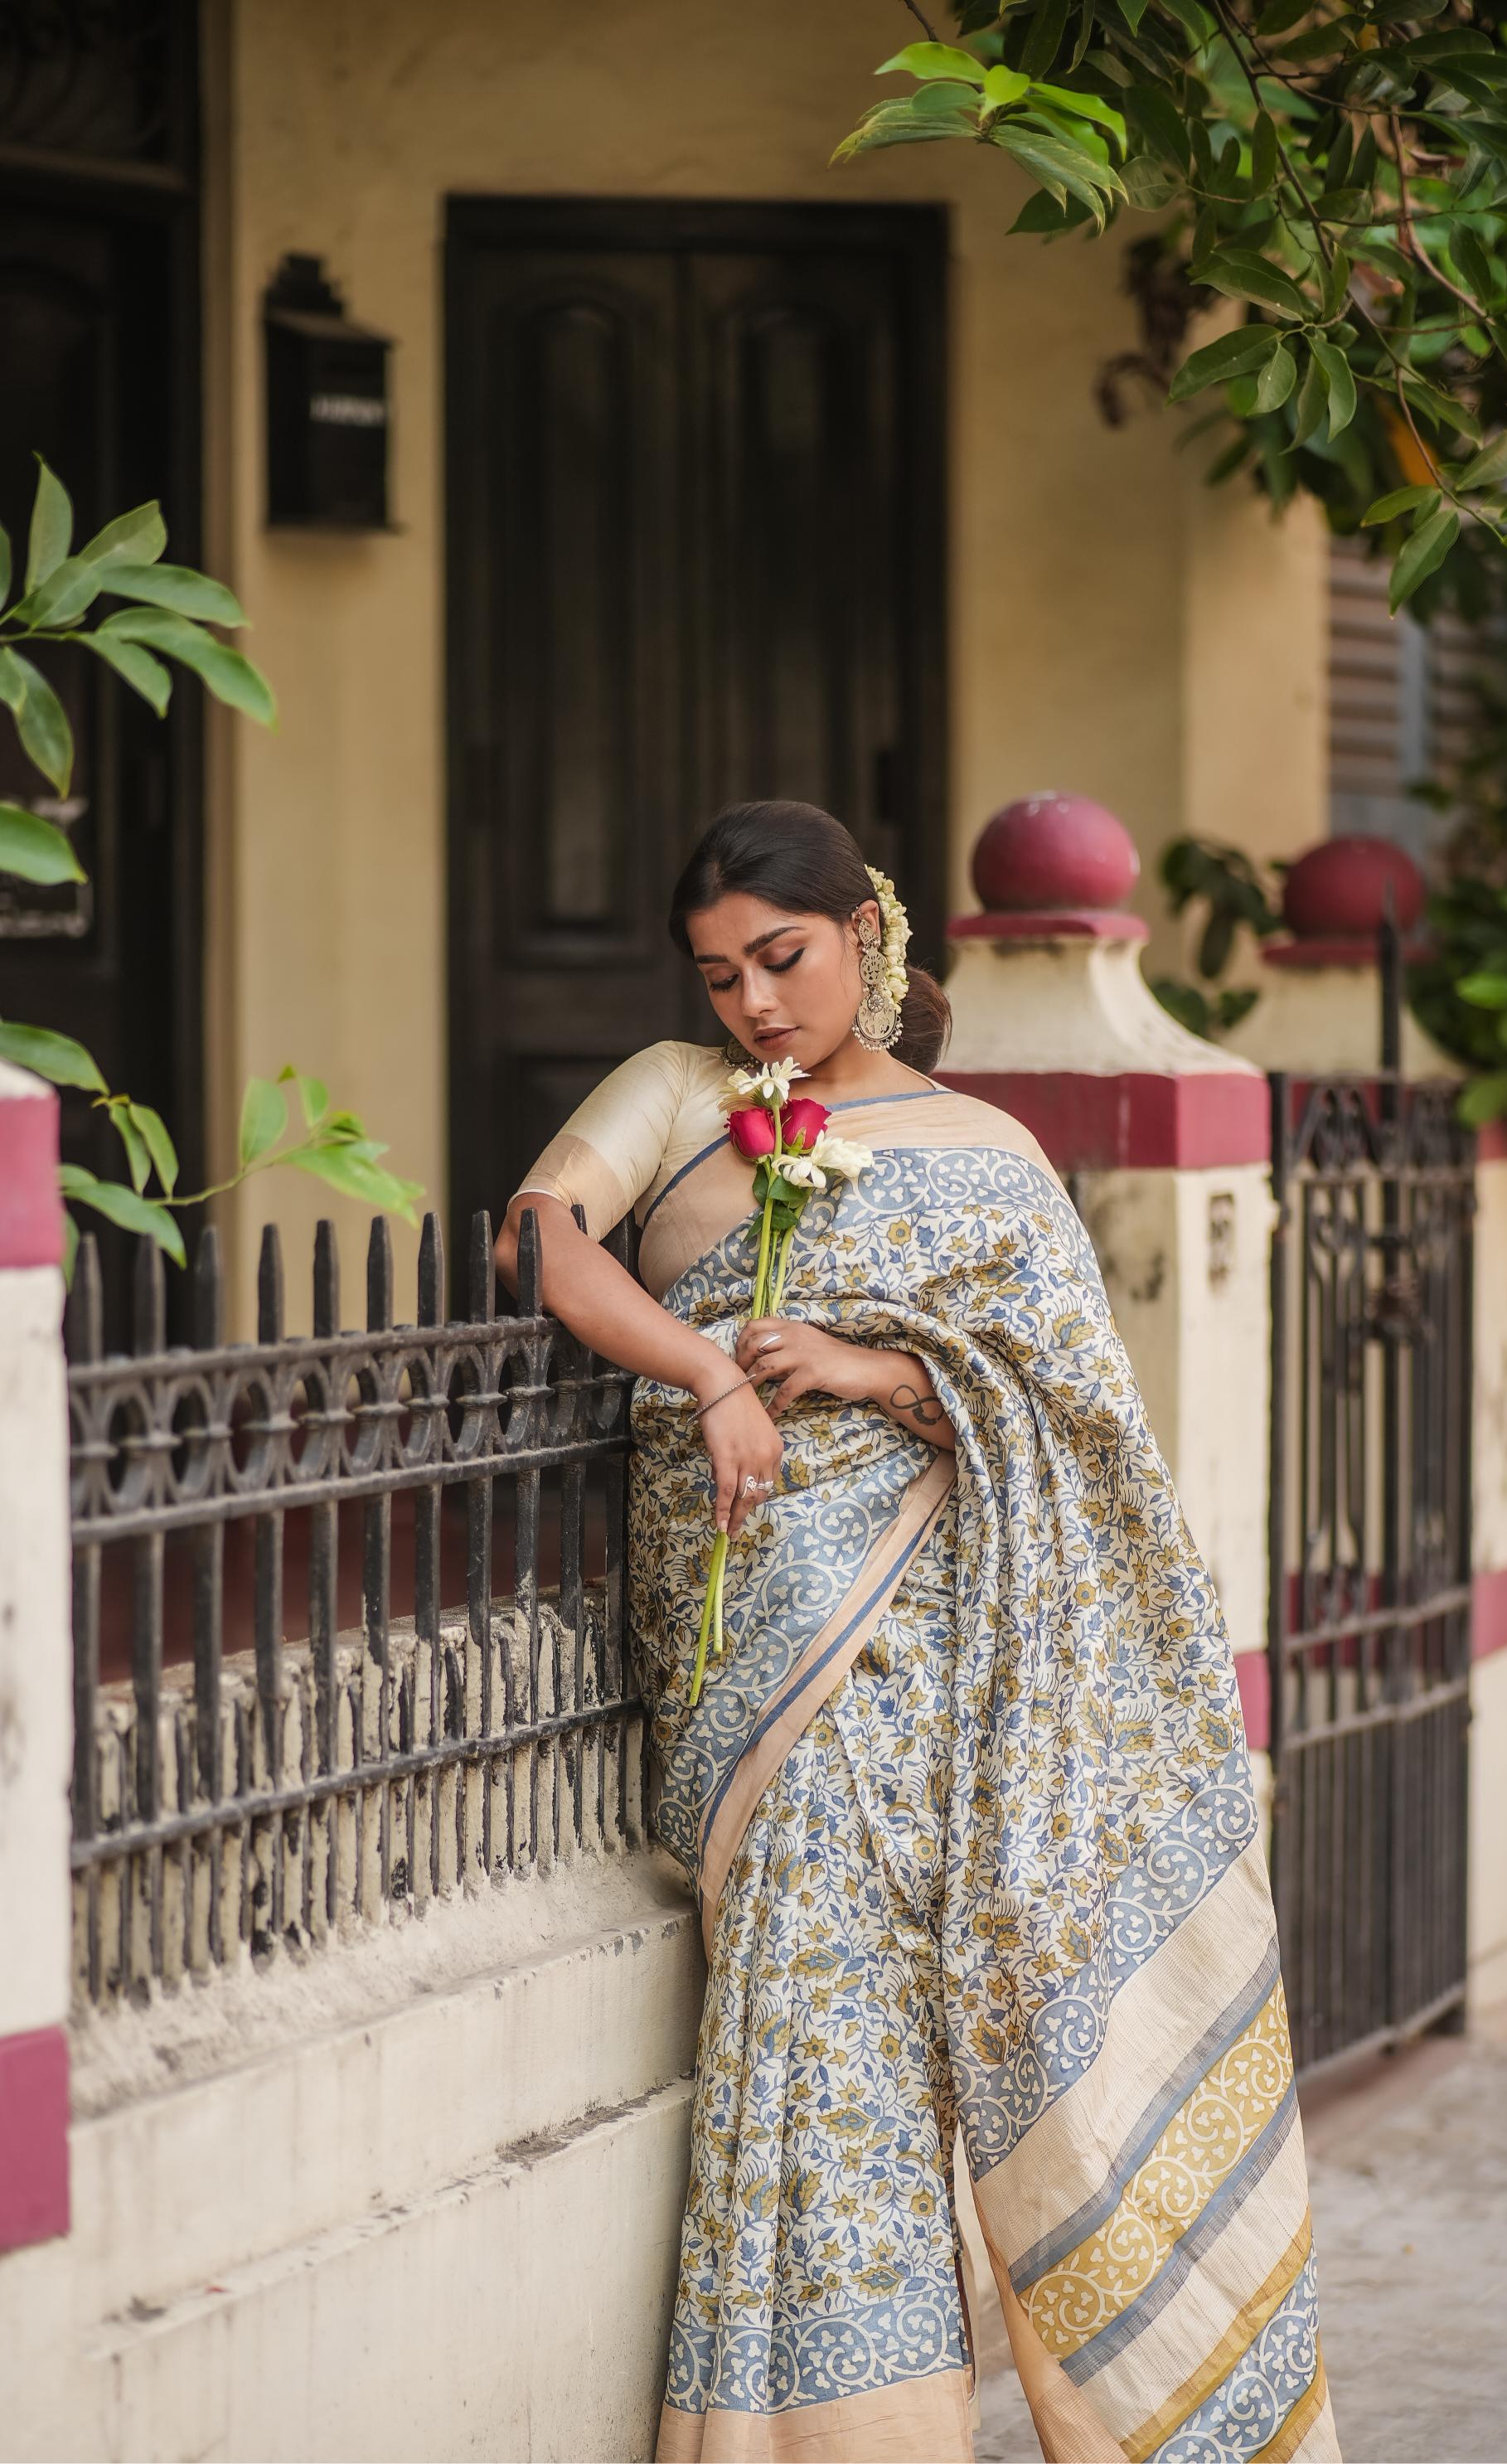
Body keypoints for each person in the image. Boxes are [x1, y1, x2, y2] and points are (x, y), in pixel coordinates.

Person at [496, 801, 1340, 2464]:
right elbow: (539, 1237)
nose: (750, 1000)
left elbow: (1079, 1410)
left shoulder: (989, 1148)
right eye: (719, 970)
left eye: (781, 958)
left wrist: (887, 1368)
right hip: (752, 1643)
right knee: (812, 2005)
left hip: (943, 1655)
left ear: (866, 938)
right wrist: (707, 1367)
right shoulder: (678, 1092)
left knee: (890, 2022)